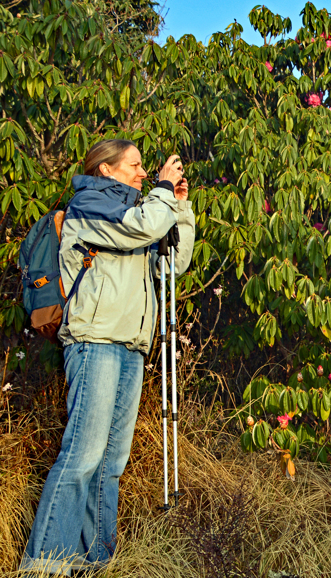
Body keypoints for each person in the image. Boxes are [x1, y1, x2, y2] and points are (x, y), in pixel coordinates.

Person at [19, 139, 195, 576]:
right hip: (94, 340)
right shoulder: (91, 204)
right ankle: (44, 566)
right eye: (134, 166)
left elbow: (172, 265)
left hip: (130, 345)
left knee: (111, 463)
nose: (141, 172)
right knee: (83, 455)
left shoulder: (141, 214)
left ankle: (93, 562)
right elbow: (139, 227)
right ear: (106, 169)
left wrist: (180, 209)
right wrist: (160, 192)